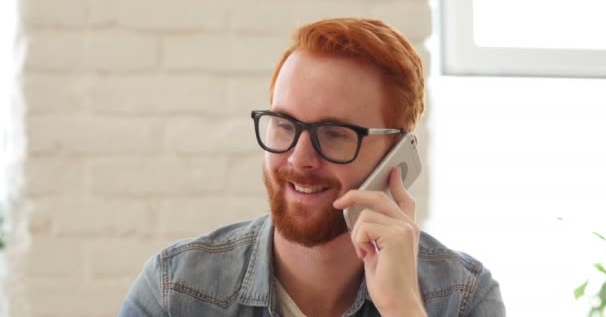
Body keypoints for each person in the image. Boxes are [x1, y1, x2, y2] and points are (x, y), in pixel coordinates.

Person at [119, 18, 505, 317]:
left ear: (397, 157)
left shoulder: (462, 297)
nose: (299, 159)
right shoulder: (176, 291)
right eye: (285, 125)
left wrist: (403, 307)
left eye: (334, 133)